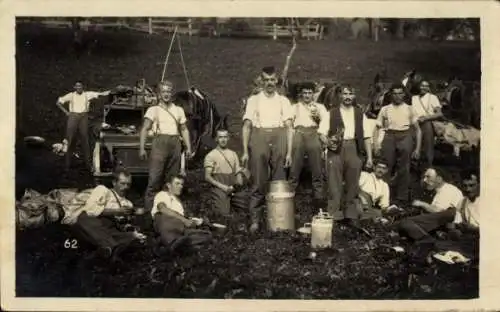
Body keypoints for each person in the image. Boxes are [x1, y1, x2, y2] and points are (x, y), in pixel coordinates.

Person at [241, 66, 294, 233]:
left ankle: (279, 219)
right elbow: (246, 126)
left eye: (272, 80)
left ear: (276, 80)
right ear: (261, 81)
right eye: (266, 80)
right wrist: (244, 151)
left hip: (279, 136)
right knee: (258, 179)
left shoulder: (283, 101)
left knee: (279, 180)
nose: (269, 83)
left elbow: (289, 127)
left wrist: (289, 152)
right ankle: (255, 220)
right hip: (259, 135)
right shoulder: (253, 100)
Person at [318, 85, 374, 226]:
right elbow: (321, 134)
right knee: (334, 182)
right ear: (340, 96)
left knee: (353, 182)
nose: (348, 97)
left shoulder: (360, 113)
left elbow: (367, 137)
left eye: (351, 94)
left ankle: (351, 213)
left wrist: (370, 158)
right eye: (345, 94)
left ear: (354, 96)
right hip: (336, 149)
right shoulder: (331, 113)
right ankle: (333, 214)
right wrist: (327, 142)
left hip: (353, 147)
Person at [63, 169, 141, 263]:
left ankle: (106, 250)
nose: (125, 187)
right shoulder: (103, 191)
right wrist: (116, 211)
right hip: (93, 225)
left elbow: (124, 225)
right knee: (83, 217)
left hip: (110, 229)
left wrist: (129, 225)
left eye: (128, 184)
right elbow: (91, 211)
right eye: (122, 183)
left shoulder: (128, 204)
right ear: (114, 182)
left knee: (133, 237)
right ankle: (110, 247)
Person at [139, 80, 194, 214]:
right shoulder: (154, 110)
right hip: (160, 143)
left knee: (172, 179)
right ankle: (149, 212)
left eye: (168, 91)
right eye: (163, 91)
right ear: (159, 94)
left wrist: (188, 147)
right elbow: (145, 129)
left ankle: (170, 210)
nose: (166, 94)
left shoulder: (178, 109)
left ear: (172, 93)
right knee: (154, 178)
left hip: (175, 143)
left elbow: (184, 129)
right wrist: (141, 148)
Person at [373, 83, 422, 206]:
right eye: (394, 93)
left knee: (404, 168)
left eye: (400, 93)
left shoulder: (410, 108)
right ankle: (382, 195)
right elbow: (377, 128)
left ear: (404, 94)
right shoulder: (385, 109)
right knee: (385, 166)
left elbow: (418, 130)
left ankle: (402, 197)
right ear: (391, 95)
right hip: (389, 136)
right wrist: (375, 145)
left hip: (405, 135)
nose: (397, 96)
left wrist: (417, 148)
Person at [398, 167, 464, 243]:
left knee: (406, 223)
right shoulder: (438, 191)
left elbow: (437, 211)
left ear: (439, 179)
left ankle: (429, 242)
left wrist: (421, 204)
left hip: (451, 226)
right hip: (441, 224)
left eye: (428, 177)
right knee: (406, 224)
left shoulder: (448, 190)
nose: (424, 180)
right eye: (424, 177)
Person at [289, 82, 329, 208]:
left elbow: (325, 121)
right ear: (301, 94)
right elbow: (289, 122)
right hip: (299, 132)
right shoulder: (295, 107)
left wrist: (321, 130)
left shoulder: (320, 107)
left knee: (316, 163)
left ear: (313, 94)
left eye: (310, 93)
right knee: (295, 163)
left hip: (313, 132)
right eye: (305, 93)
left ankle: (319, 197)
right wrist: (293, 132)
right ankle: (290, 194)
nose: (307, 95)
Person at [56, 81, 110, 172]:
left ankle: (88, 165)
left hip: (83, 117)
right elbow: (58, 102)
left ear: (83, 87)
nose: (79, 88)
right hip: (73, 117)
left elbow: (100, 94)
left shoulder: (87, 94)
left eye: (80, 86)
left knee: (85, 140)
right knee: (70, 139)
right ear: (74, 87)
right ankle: (67, 165)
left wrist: (110, 92)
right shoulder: (71, 95)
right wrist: (66, 113)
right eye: (77, 86)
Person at [152, 175, 213, 254]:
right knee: (166, 221)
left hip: (179, 227)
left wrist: (193, 221)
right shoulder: (162, 194)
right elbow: (162, 209)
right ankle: (175, 243)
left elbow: (183, 218)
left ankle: (177, 245)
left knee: (207, 235)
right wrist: (184, 220)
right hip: (165, 221)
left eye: (182, 184)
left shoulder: (179, 201)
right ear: (169, 185)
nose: (180, 186)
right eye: (177, 184)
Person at [204, 129, 249, 220]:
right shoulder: (211, 155)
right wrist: (223, 187)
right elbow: (207, 177)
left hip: (233, 185)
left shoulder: (233, 154)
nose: (223, 140)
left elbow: (237, 172)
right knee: (223, 213)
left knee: (245, 206)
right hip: (219, 184)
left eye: (225, 137)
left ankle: (240, 223)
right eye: (220, 137)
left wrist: (238, 183)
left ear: (228, 138)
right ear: (216, 139)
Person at [411, 80, 443, 169]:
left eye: (426, 86)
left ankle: (428, 166)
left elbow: (439, 114)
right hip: (415, 123)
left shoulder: (432, 97)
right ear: (418, 86)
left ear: (429, 88)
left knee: (428, 146)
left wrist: (426, 118)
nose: (424, 87)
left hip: (427, 123)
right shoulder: (414, 98)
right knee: (413, 145)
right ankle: (414, 167)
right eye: (422, 85)